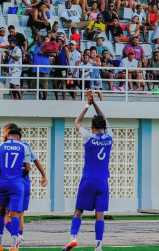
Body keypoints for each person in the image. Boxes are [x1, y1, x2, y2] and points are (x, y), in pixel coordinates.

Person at [62, 91, 112, 251]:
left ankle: (73, 237)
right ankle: (98, 245)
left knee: (78, 211)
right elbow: (103, 118)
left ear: (92, 127)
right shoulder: (109, 137)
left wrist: (87, 104)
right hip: (103, 181)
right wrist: (95, 103)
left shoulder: (88, 137)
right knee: (100, 214)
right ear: (104, 127)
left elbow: (77, 121)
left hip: (88, 179)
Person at [3, 123, 49, 246]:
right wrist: (44, 176)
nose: (3, 135)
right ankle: (18, 242)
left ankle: (16, 236)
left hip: (13, 182)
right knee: (20, 214)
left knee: (3, 214)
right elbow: (36, 161)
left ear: (9, 132)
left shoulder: (5, 146)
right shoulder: (26, 145)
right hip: (25, 183)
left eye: (4, 132)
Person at [0, 126, 31, 251]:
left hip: (3, 183)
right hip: (17, 184)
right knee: (15, 214)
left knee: (1, 213)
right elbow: (28, 168)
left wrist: (0, 176)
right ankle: (13, 246)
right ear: (18, 137)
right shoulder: (23, 147)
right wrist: (19, 176)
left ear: (8, 136)